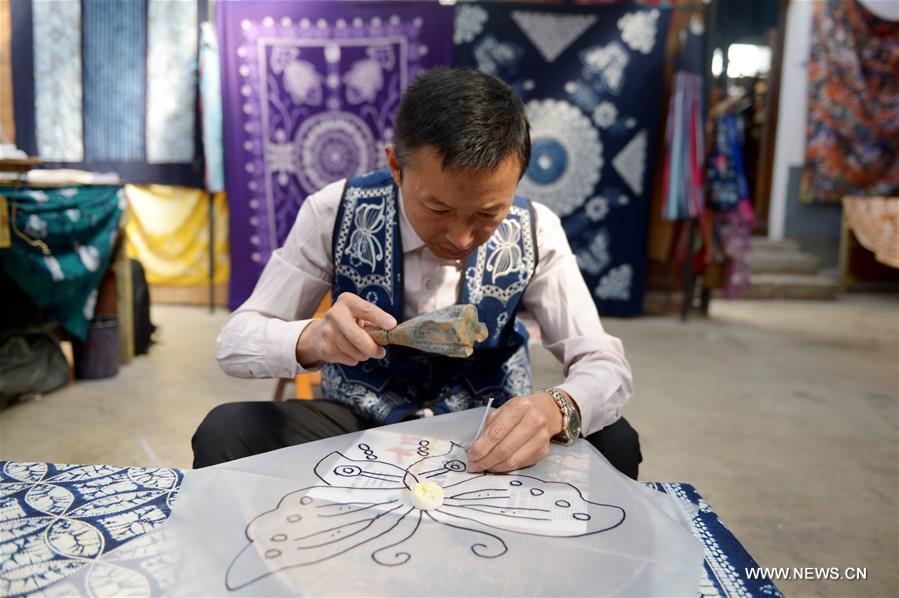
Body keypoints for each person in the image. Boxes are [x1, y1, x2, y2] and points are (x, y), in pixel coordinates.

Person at [193, 67, 642, 479]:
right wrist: (315, 340)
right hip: (360, 423)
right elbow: (235, 342)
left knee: (615, 442)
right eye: (438, 207)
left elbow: (604, 363)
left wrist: (555, 408)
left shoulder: (536, 228)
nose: (462, 237)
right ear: (395, 167)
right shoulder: (333, 212)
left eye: (488, 212)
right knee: (228, 430)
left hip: (489, 427)